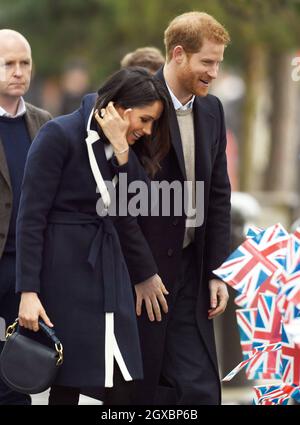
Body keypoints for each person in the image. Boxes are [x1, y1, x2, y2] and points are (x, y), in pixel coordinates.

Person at [15, 67, 171, 405]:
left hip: (111, 270)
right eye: (144, 120)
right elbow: (30, 218)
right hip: (65, 275)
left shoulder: (128, 147)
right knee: (68, 380)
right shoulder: (58, 134)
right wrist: (28, 291)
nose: (147, 130)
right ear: (120, 108)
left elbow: (141, 204)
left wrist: (121, 152)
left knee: (124, 375)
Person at [110, 11, 232, 405]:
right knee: (140, 392)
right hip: (142, 278)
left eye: (219, 63)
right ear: (178, 54)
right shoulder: (140, 105)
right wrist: (142, 272)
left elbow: (218, 194)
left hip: (191, 273)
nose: (214, 72)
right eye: (207, 62)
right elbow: (117, 197)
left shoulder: (212, 110)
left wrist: (217, 270)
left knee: (197, 388)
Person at [0, 29, 52, 405]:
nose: (18, 72)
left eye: (24, 63)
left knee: (19, 366)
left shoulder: (44, 122)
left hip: (27, 267)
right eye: (8, 64)